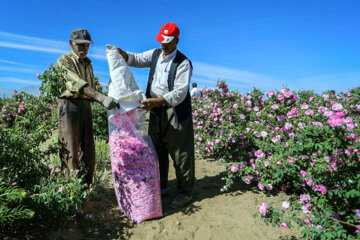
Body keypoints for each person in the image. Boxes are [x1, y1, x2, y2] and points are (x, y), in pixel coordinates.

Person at [117, 22, 195, 209]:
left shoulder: (183, 63)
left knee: (180, 153)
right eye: (162, 41)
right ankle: (162, 186)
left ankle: (185, 192)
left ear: (176, 40)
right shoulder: (155, 54)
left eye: (168, 42)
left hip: (174, 111)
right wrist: (123, 55)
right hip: (156, 111)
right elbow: (135, 59)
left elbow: (179, 94)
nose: (164, 45)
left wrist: (157, 101)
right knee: (156, 148)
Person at [56, 28, 118, 186]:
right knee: (70, 150)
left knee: (88, 150)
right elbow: (77, 83)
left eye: (87, 46)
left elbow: (90, 89)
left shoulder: (88, 65)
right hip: (69, 105)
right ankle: (72, 193)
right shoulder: (64, 61)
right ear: (71, 44)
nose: (84, 49)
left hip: (85, 106)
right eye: (80, 45)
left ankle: (86, 188)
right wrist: (100, 97)